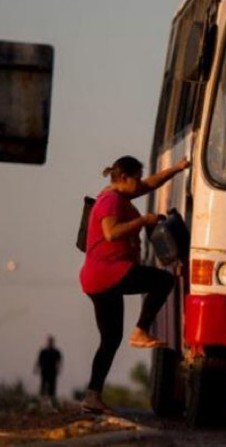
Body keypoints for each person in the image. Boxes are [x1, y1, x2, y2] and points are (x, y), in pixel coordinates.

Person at [80, 155, 188, 414]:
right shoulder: (110, 201)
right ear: (124, 178)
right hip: (110, 273)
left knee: (110, 339)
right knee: (163, 280)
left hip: (99, 278)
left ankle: (92, 396)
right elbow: (112, 233)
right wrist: (143, 221)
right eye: (136, 177)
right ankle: (140, 330)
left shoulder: (121, 195)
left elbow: (150, 184)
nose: (140, 182)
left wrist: (177, 168)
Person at [34, 336, 62, 401]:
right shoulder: (43, 351)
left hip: (52, 372)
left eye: (51, 341)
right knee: (43, 385)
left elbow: (59, 362)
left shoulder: (56, 352)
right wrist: (36, 368)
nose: (50, 343)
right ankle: (41, 398)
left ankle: (52, 400)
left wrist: (58, 369)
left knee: (52, 387)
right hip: (45, 371)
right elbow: (39, 361)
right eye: (49, 341)